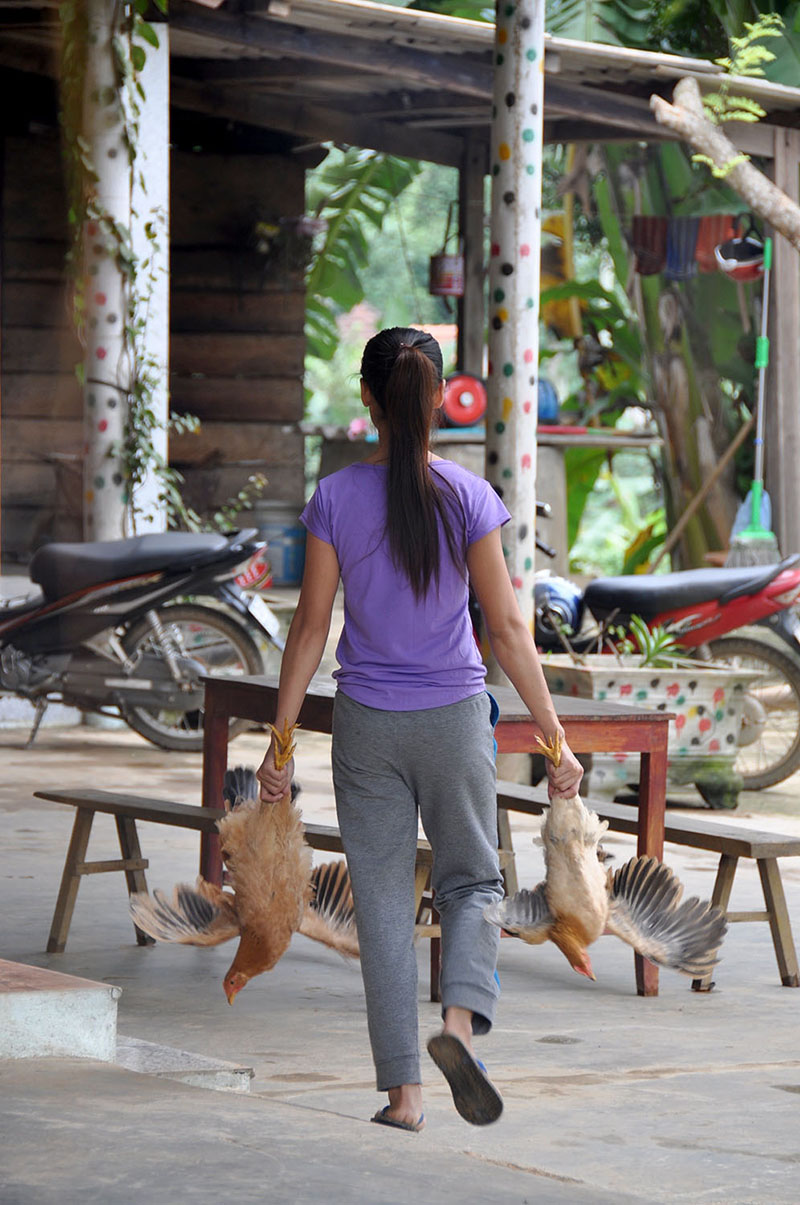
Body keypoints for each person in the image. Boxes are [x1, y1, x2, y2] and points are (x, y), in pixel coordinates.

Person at [257, 326, 583, 1132]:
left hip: (367, 725)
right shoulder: (470, 497)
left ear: (368, 399)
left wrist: (280, 742)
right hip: (453, 721)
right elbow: (508, 628)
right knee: (473, 882)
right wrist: (556, 739)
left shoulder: (335, 496)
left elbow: (309, 629)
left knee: (382, 903)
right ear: (439, 401)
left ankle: (403, 1095)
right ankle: (460, 1025)